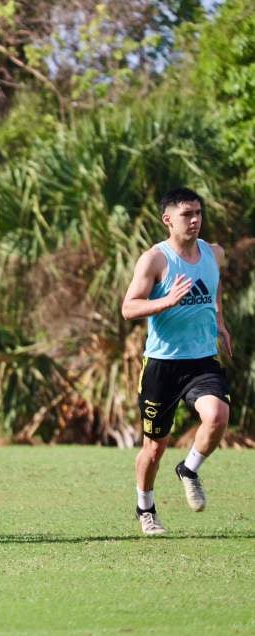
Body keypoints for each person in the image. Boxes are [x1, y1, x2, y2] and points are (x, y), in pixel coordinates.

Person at [121, 187, 232, 536]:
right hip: (162, 364)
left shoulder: (214, 253)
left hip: (201, 360)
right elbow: (128, 308)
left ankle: (189, 469)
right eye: (187, 214)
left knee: (217, 415)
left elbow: (214, 289)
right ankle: (145, 508)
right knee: (154, 448)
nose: (196, 219)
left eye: (199, 212)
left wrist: (221, 323)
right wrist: (165, 301)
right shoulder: (155, 260)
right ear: (168, 219)